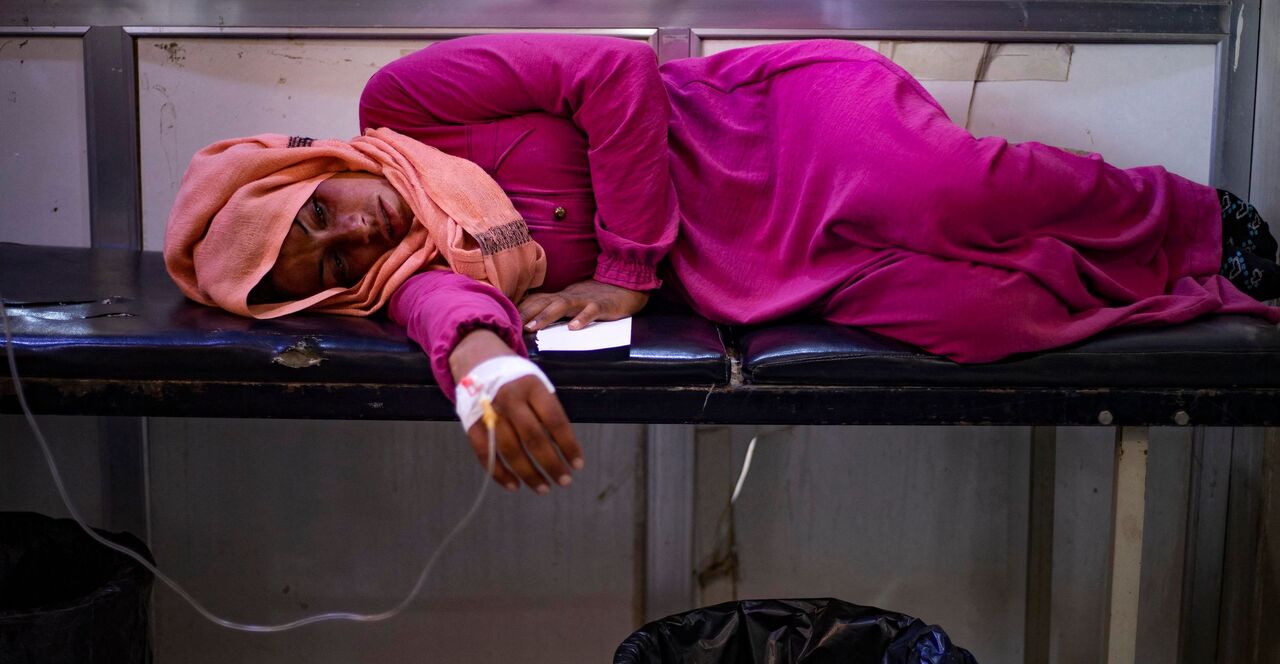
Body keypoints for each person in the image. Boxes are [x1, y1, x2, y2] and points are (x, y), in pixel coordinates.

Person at [165, 34, 1280, 496]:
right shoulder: (397, 270)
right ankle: (1180, 291)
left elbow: (612, 74)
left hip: (759, 131)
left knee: (950, 191)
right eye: (304, 267)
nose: (343, 239)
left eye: (311, 212)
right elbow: (441, 307)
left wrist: (632, 269)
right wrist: (486, 373)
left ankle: (1193, 224)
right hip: (746, 267)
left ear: (298, 164)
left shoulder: (399, 106)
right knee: (972, 314)